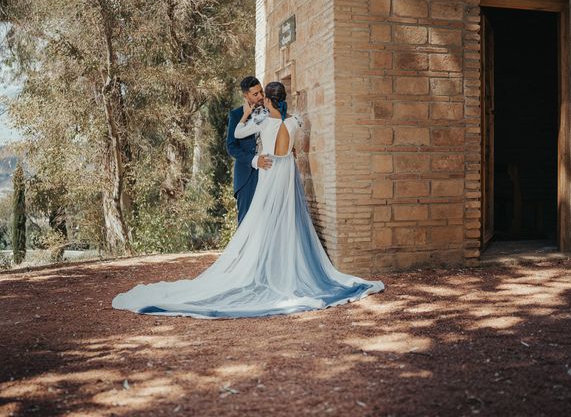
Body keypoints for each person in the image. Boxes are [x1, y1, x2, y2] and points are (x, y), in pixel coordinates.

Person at [112, 81, 384, 319]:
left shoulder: (262, 120)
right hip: (287, 171)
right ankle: (284, 266)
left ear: (267, 98)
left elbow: (239, 134)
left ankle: (263, 268)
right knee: (287, 219)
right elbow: (295, 140)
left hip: (269, 170)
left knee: (263, 220)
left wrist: (245, 117)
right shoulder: (295, 121)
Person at [226, 76, 272, 224]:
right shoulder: (236, 115)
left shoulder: (271, 110)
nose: (260, 96)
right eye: (255, 94)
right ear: (245, 96)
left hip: (270, 170)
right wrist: (254, 160)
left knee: (267, 219)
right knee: (246, 221)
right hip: (247, 175)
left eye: (261, 92)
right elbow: (231, 147)